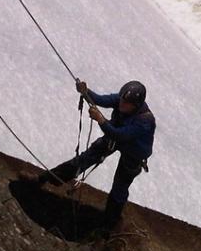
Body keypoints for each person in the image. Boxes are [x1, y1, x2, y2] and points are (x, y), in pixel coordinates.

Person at [36, 79, 156, 229]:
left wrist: (101, 120)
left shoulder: (145, 121)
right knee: (84, 159)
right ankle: (46, 179)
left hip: (133, 152)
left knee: (120, 186)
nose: (122, 104)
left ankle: (108, 226)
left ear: (136, 105)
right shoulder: (122, 100)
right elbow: (100, 100)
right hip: (115, 136)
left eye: (126, 103)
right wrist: (86, 92)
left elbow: (121, 135)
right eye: (122, 100)